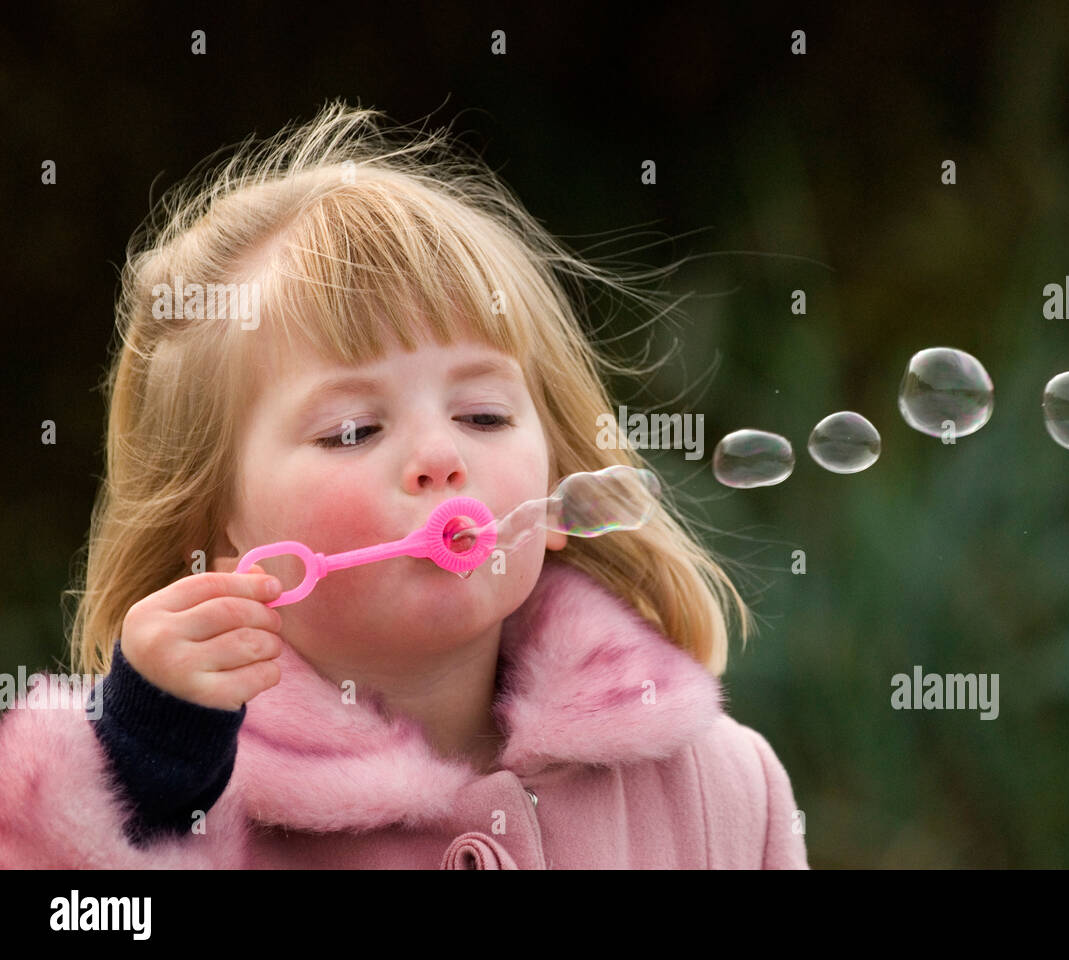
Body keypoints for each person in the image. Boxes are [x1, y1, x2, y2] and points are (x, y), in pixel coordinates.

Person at [0, 101, 809, 869]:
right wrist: (142, 780)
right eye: (354, 430)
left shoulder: (723, 790)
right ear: (220, 533)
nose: (439, 456)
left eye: (484, 415)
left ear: (563, 487)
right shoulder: (182, 810)